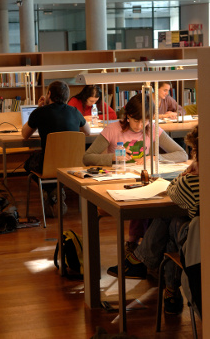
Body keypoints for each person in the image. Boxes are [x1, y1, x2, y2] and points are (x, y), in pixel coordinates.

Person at [107, 125, 199, 315]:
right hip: (199, 243)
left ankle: (141, 261)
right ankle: (167, 288)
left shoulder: (191, 183)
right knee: (175, 222)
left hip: (198, 248)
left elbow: (174, 191)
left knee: (172, 221)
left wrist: (187, 172)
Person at [83, 93, 188, 252]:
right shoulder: (113, 129)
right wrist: (112, 158)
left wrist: (155, 157)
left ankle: (146, 246)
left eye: (145, 121)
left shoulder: (152, 129)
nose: (140, 126)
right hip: (118, 181)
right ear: (127, 116)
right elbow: (87, 157)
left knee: (158, 198)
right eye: (136, 120)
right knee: (144, 196)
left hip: (142, 179)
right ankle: (136, 243)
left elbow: (182, 154)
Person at [22, 80, 90, 217]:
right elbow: (87, 132)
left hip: (48, 164)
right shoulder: (74, 111)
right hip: (72, 164)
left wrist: (39, 107)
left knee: (28, 164)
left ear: (49, 94)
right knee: (55, 166)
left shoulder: (40, 112)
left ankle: (50, 192)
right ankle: (56, 191)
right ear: (67, 96)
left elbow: (24, 134)